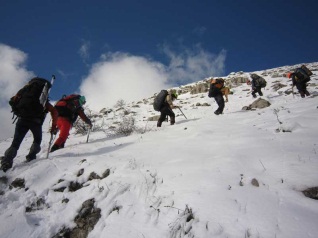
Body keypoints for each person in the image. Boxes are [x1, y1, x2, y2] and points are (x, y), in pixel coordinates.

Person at [1, 101, 58, 172]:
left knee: (15, 142)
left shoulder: (26, 93)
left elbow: (11, 101)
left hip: (22, 119)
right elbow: (54, 111)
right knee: (37, 140)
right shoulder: (43, 100)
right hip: (36, 122)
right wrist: (53, 127)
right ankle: (31, 157)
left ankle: (6, 162)